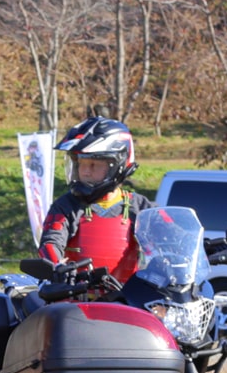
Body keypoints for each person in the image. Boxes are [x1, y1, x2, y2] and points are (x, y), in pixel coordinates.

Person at [37, 116, 151, 282]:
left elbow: (169, 242)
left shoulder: (141, 207)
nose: (85, 172)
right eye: (82, 163)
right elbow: (50, 242)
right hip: (74, 298)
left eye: (94, 165)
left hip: (127, 301)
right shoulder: (67, 205)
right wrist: (57, 267)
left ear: (117, 165)